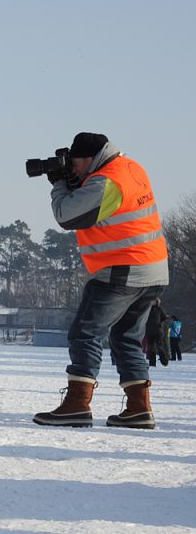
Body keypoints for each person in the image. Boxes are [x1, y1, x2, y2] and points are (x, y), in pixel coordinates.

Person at [34, 133, 168, 430]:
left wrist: (59, 185)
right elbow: (101, 203)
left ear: (90, 158)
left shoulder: (107, 180)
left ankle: (77, 405)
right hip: (152, 268)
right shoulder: (130, 167)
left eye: (75, 161)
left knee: (85, 333)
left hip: (123, 268)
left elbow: (68, 216)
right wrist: (74, 182)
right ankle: (138, 408)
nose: (73, 167)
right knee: (126, 338)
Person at [143, 299, 170, 367]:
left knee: (159, 346)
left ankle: (164, 361)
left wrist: (160, 324)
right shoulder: (148, 309)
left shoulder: (159, 309)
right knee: (151, 347)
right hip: (151, 331)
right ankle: (153, 362)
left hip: (157, 331)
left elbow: (164, 318)